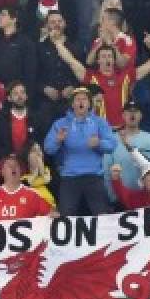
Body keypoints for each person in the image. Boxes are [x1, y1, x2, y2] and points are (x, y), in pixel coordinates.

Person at [44, 86, 119, 216]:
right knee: (66, 218)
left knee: (102, 217)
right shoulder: (60, 124)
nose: (81, 102)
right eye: (77, 99)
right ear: (72, 104)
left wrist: (99, 144)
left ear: (89, 103)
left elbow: (112, 145)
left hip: (94, 177)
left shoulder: (99, 122)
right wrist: (58, 140)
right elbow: (48, 149)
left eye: (84, 99)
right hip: (69, 178)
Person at [0, 154, 51, 224]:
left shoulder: (33, 194)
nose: (13, 168)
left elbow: (51, 213)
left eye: (16, 165)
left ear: (21, 171)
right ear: (2, 171)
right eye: (9, 166)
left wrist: (54, 215)